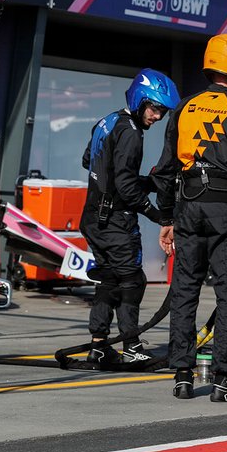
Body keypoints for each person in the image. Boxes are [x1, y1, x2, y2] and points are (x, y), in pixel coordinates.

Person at [153, 33, 227, 402]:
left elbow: (165, 168)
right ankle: (224, 380)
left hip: (187, 209)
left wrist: (166, 218)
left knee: (184, 292)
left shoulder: (184, 107)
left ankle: (183, 375)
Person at [81, 68, 180, 366]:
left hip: (93, 216)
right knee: (132, 281)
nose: (157, 117)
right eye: (154, 108)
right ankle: (132, 346)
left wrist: (143, 182)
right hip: (116, 221)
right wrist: (159, 215)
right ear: (140, 100)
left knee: (109, 279)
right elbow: (124, 186)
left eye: (162, 111)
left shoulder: (108, 121)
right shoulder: (132, 133)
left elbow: (90, 161)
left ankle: (99, 345)